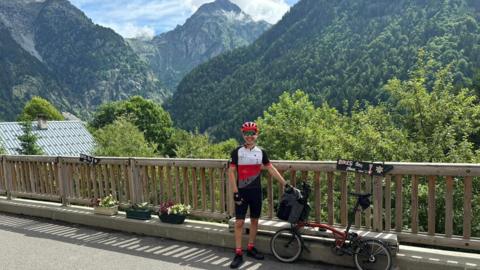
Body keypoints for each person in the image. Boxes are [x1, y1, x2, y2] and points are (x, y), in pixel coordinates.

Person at [228, 121, 290, 269]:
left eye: (252, 133)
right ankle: (238, 253)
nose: (249, 136)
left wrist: (285, 184)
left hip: (256, 192)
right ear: (242, 134)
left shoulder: (261, 152)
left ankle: (250, 248)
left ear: (257, 134)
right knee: (239, 223)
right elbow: (230, 172)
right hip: (241, 192)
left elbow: (271, 169)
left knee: (255, 221)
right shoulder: (236, 152)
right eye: (246, 133)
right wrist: (235, 192)